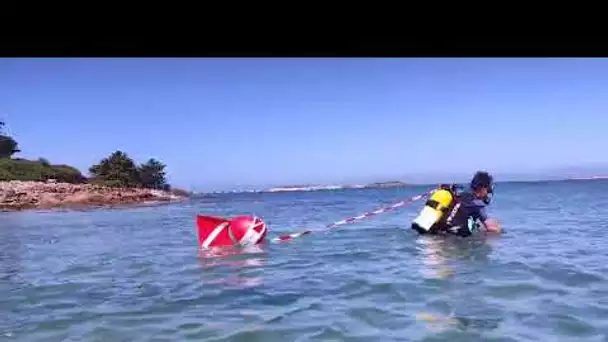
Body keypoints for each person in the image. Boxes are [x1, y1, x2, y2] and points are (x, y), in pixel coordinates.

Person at [411, 171, 501, 237]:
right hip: (448, 243)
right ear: (482, 188)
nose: (488, 193)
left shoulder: (457, 196)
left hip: (432, 235)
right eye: (488, 189)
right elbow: (492, 228)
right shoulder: (477, 204)